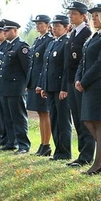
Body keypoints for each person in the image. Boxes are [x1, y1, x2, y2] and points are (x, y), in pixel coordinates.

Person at [75, 4, 101, 175]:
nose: (94, 19)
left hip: (100, 85)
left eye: (97, 16)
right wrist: (78, 78)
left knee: (100, 122)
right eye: (92, 17)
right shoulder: (93, 36)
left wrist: (84, 81)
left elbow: (100, 63)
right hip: (88, 84)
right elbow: (83, 61)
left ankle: (99, 163)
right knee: (87, 121)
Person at [62, 2, 94, 167]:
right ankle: (82, 153)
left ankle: (87, 155)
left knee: (84, 118)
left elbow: (84, 60)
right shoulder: (73, 33)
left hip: (80, 81)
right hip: (70, 80)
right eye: (70, 14)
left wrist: (79, 79)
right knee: (76, 118)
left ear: (83, 16)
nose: (71, 16)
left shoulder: (87, 33)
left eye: (74, 13)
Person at [38, 15, 73, 160]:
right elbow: (46, 67)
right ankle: (58, 149)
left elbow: (66, 68)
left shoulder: (66, 43)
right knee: (54, 119)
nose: (55, 28)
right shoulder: (53, 43)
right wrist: (44, 86)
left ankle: (64, 151)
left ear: (66, 27)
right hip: (51, 87)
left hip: (60, 88)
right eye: (54, 26)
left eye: (58, 26)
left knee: (63, 121)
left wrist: (64, 88)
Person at [0, 19, 32, 154]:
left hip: (16, 86)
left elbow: (27, 68)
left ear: (15, 30)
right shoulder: (8, 46)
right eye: (4, 30)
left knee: (18, 117)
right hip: (6, 86)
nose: (5, 33)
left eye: (7, 30)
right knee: (8, 116)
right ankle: (11, 142)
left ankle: (23, 145)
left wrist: (26, 85)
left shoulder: (21, 46)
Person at [27, 14, 54, 155]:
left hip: (41, 81)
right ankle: (43, 144)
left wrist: (41, 83)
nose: (38, 26)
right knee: (40, 113)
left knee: (45, 113)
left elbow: (45, 65)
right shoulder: (38, 40)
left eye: (41, 23)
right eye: (36, 23)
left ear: (47, 25)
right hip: (34, 81)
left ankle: (46, 144)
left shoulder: (49, 40)